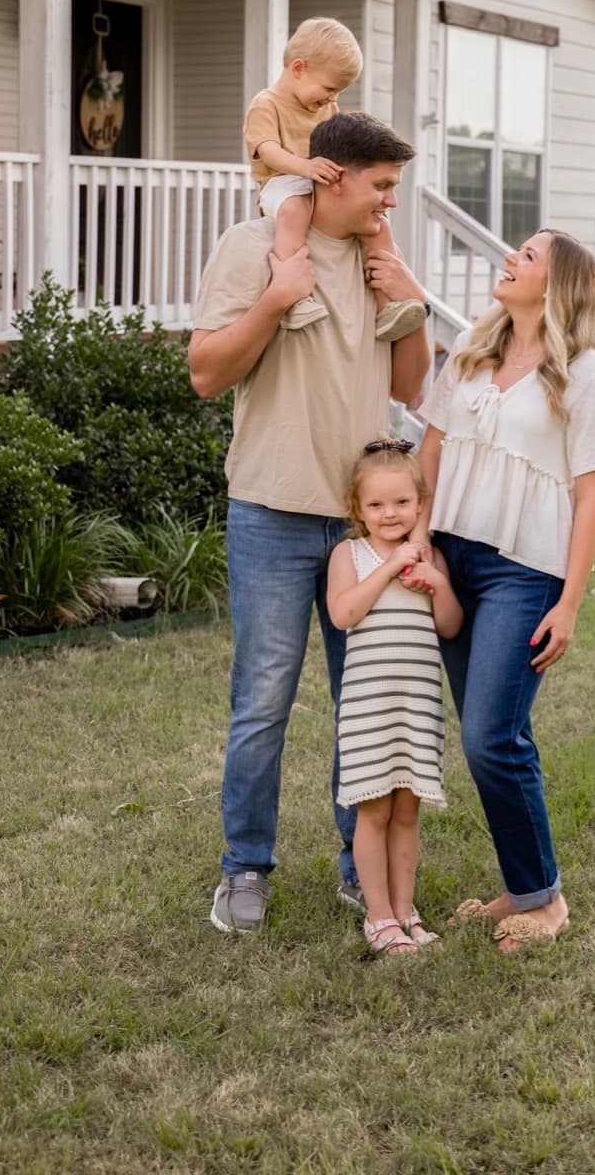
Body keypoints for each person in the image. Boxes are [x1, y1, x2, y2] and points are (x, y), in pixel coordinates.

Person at [188, 112, 432, 935]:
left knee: (363, 701)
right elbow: (205, 373)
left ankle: (355, 866)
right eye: (382, 187)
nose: (389, 205)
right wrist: (276, 300)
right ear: (332, 176)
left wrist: (413, 306)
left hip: (367, 531)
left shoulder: (377, 258)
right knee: (262, 701)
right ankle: (244, 867)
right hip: (271, 514)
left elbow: (410, 385)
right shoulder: (254, 248)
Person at [414, 229, 595, 952]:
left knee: (490, 735)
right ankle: (520, 889)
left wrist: (568, 602)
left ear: (557, 285)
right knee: (490, 735)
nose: (510, 259)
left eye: (528, 256)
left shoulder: (586, 374)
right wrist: (418, 540)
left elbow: (591, 496)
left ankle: (545, 900)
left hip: (522, 570)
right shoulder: (472, 350)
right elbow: (431, 451)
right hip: (450, 555)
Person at [326, 438, 463, 957]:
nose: (390, 514)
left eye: (402, 503)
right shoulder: (350, 554)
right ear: (357, 508)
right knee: (374, 812)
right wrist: (389, 567)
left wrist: (437, 585)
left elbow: (449, 627)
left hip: (417, 704)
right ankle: (378, 918)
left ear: (421, 503)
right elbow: (343, 614)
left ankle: (406, 910)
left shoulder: (431, 558)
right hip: (369, 707)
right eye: (377, 504)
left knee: (408, 812)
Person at [244, 15, 426, 342]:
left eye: (338, 92)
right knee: (296, 210)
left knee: (378, 225)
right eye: (329, 88)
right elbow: (268, 152)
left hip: (318, 178)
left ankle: (388, 308)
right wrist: (306, 167)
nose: (331, 98)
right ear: (298, 68)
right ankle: (294, 295)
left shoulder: (327, 107)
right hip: (282, 183)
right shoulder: (266, 104)